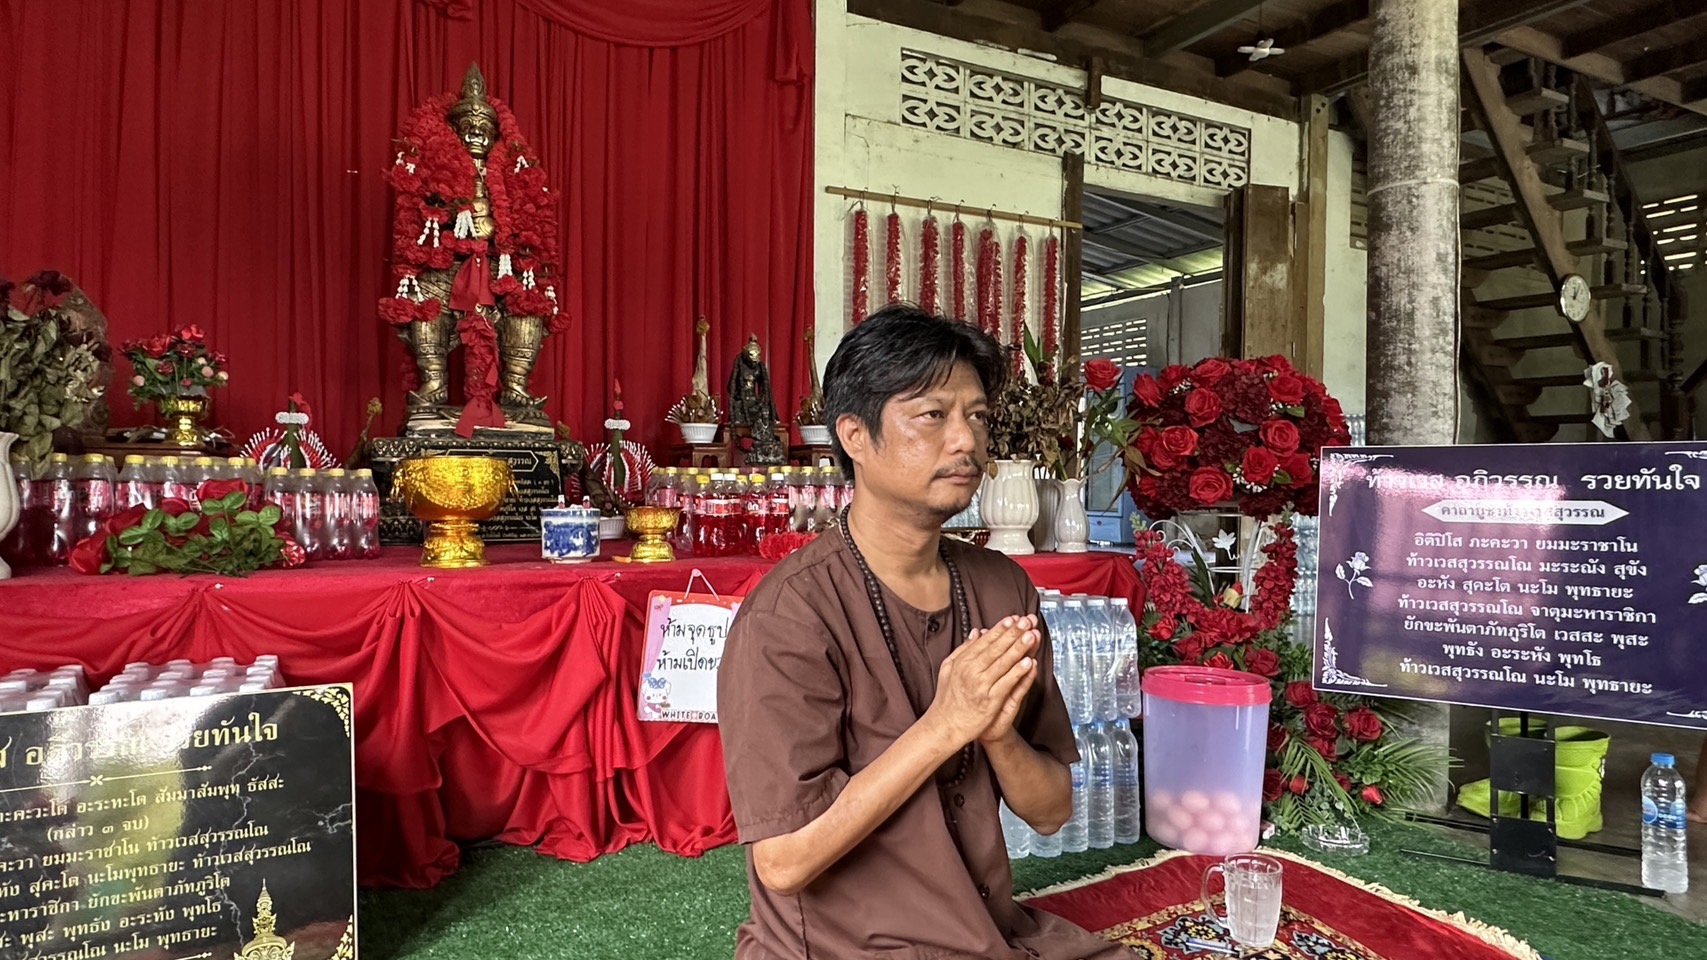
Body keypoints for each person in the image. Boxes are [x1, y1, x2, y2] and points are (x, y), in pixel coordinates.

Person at [717, 305, 1127, 959]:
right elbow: (783, 862)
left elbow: (1051, 811)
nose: (966, 441)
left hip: (985, 932)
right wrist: (946, 724)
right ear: (854, 435)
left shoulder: (1002, 588)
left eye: (977, 417)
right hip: (844, 950)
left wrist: (996, 733)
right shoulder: (788, 617)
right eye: (933, 415)